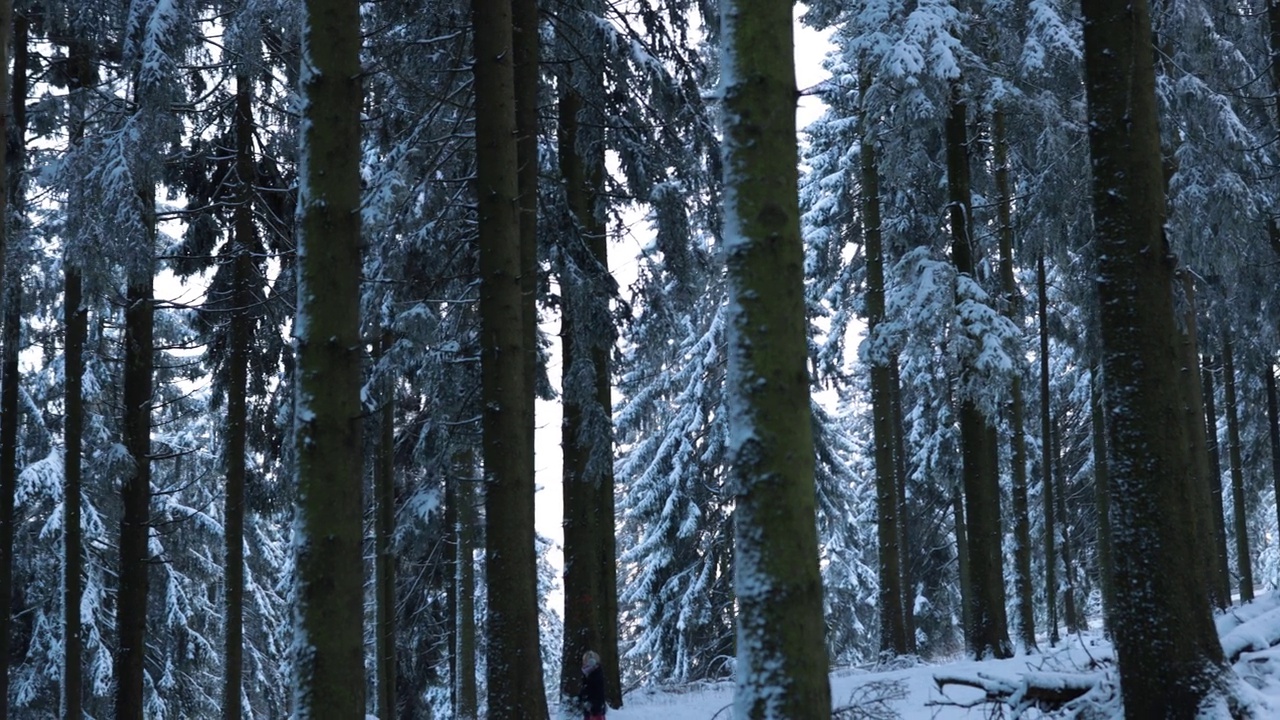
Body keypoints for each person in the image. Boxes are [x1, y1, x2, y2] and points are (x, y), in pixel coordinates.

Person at [577, 650, 606, 720]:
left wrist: (593, 706)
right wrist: (580, 698)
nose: (583, 664)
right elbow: (585, 690)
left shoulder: (596, 675)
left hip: (595, 711)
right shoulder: (587, 675)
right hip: (589, 710)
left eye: (585, 661)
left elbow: (598, 694)